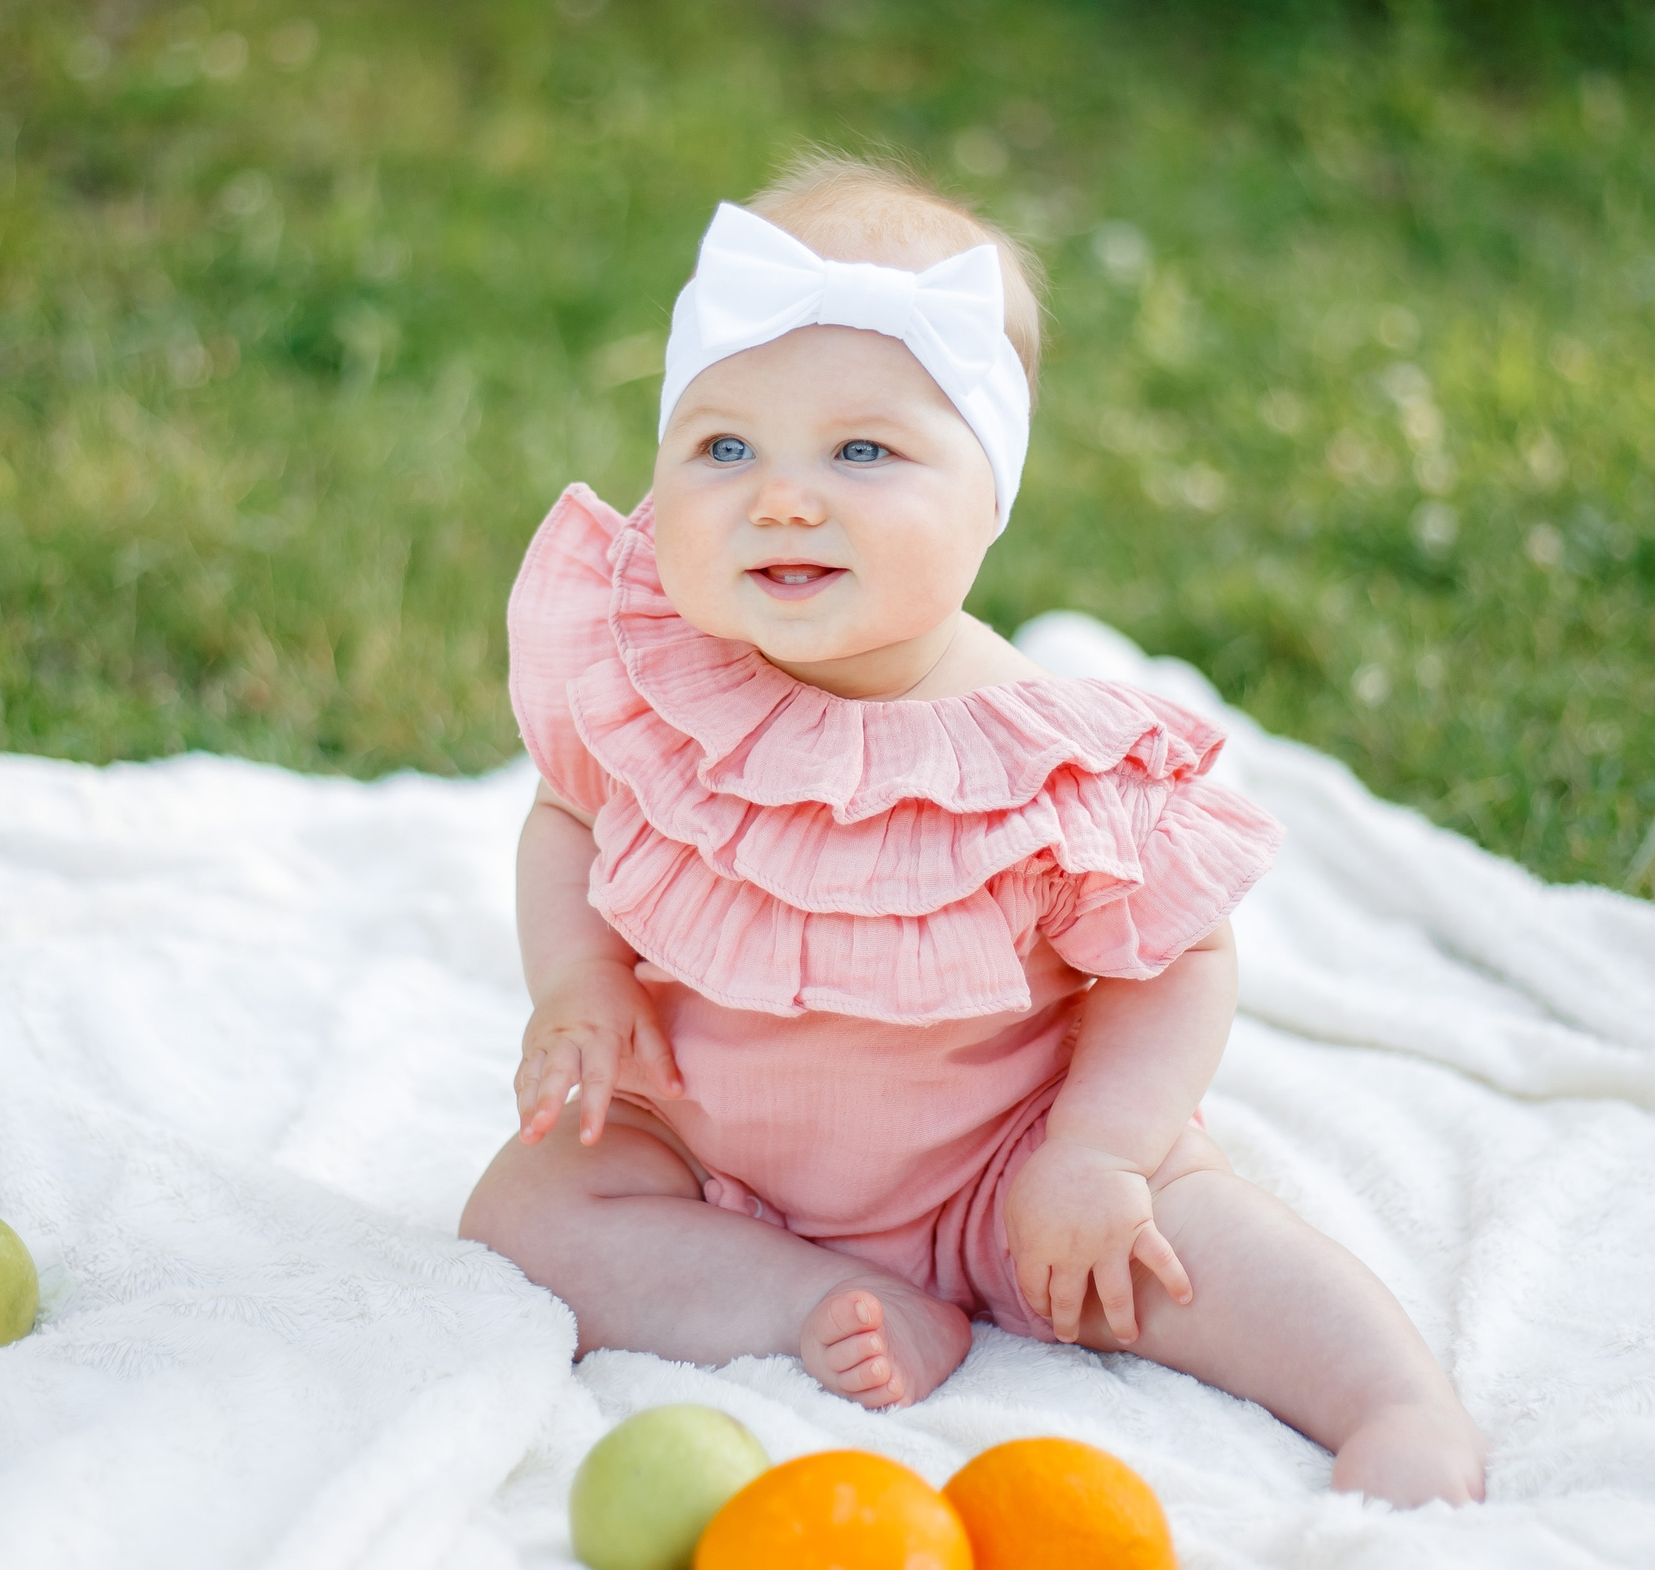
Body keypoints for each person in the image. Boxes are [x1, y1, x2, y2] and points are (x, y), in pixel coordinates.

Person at [460, 153, 1488, 1505]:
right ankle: (801, 1298)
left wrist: (1098, 1151)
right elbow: (565, 817)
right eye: (724, 446)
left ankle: (1398, 1406)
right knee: (523, 1217)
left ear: (990, 497)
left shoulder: (1038, 755)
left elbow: (1173, 959)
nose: (780, 495)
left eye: (863, 451)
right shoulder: (657, 678)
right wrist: (581, 982)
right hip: (711, 1141)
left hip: (1006, 1165)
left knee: (1192, 1240)